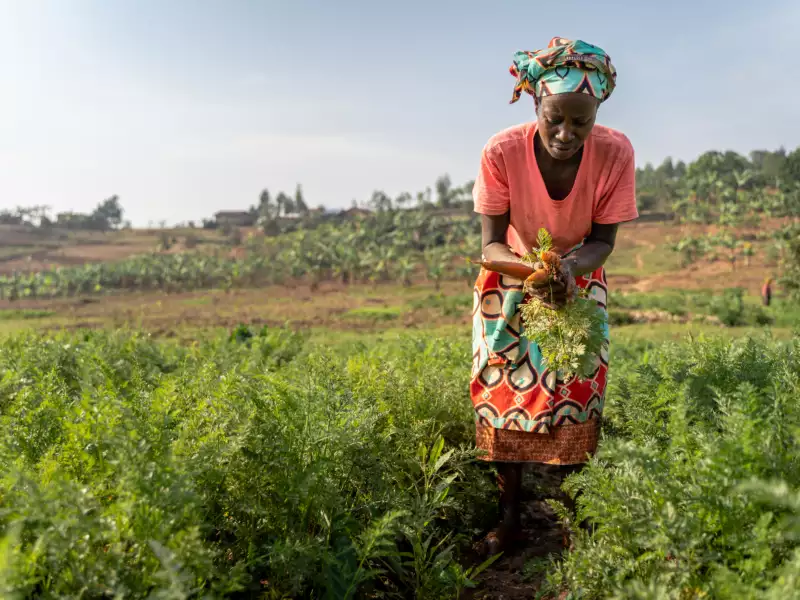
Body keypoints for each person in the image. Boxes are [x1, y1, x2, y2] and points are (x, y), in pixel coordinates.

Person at [470, 37, 639, 555]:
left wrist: (565, 270)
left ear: (597, 114)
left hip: (578, 281)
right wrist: (536, 271)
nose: (566, 134)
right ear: (535, 105)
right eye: (554, 119)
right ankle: (510, 521)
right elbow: (491, 246)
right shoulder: (501, 151)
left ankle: (573, 523)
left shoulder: (615, 152)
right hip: (510, 281)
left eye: (580, 123)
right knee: (501, 397)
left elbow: (603, 242)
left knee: (576, 394)